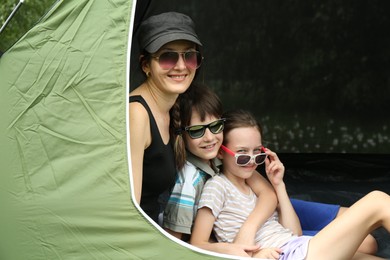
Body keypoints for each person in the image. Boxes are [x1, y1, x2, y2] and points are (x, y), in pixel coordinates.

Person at [163, 84, 378, 255]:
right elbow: (186, 245)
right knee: (376, 202)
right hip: (285, 250)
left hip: (285, 237)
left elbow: (268, 195)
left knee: (369, 245)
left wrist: (275, 190)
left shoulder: (225, 161)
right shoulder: (202, 182)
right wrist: (238, 250)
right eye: (198, 131)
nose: (210, 138)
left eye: (258, 152)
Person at [129, 12, 204, 222]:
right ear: (146, 65)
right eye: (167, 57)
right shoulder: (137, 114)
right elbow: (129, 208)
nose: (181, 66)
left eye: (189, 56)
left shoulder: (173, 106)